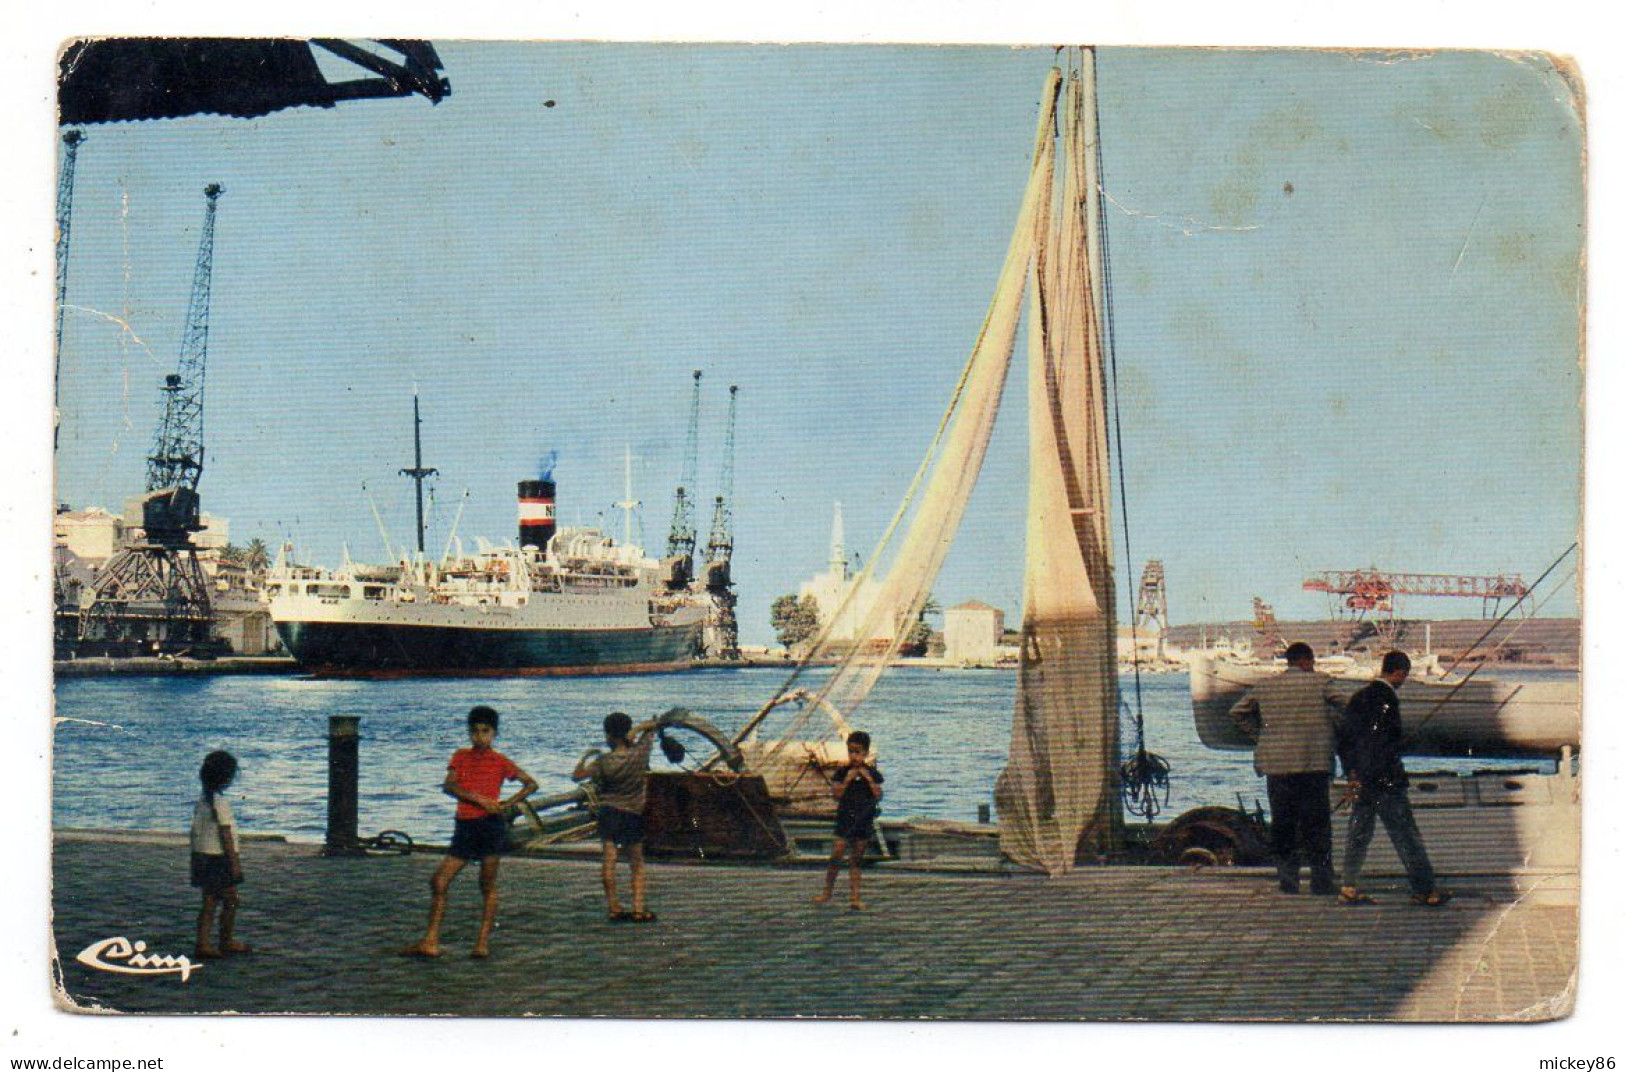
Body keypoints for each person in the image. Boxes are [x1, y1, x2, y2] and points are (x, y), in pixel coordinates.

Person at [404, 706, 537, 958]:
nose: (479, 736)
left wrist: (507, 805)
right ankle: (430, 941)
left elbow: (531, 784)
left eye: (485, 731)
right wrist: (479, 799)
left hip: (490, 827)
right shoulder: (461, 756)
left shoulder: (500, 760)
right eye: (474, 731)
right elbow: (449, 786)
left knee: (486, 885)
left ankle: (481, 943)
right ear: (469, 732)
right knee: (439, 881)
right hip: (465, 826)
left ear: (494, 733)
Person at [1336, 651, 1451, 907]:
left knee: (1358, 833)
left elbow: (1345, 739)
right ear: (1399, 672)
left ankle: (1348, 885)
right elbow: (1385, 742)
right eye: (1404, 675)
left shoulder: (1358, 697)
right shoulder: (1388, 699)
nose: (1404, 680)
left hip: (1362, 780)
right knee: (1406, 835)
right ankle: (1425, 890)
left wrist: (1353, 772)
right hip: (1386, 779)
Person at [1229, 642, 1343, 895]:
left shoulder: (1266, 685)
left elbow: (1237, 711)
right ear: (1306, 661)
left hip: (1277, 766)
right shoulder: (1321, 682)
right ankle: (1322, 881)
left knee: (1283, 824)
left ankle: (1288, 881)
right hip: (1313, 764)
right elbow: (1346, 704)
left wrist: (1260, 737)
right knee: (1317, 825)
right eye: (1312, 663)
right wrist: (1334, 728)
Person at [574, 711, 659, 923]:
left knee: (609, 860)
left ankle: (614, 908)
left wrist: (586, 756)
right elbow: (652, 726)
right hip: (633, 813)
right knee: (637, 863)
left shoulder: (603, 761)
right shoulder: (640, 754)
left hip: (609, 812)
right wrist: (637, 731)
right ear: (626, 732)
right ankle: (638, 909)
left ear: (608, 735)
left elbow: (577, 776)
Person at [814, 730, 884, 911]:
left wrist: (868, 778)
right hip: (846, 817)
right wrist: (847, 780)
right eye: (851, 752)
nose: (854, 756)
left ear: (866, 753)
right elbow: (836, 795)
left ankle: (855, 896)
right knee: (836, 855)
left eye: (858, 752)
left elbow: (878, 795)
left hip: (863, 818)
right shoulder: (843, 771)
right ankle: (827, 892)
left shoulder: (873, 773)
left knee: (856, 859)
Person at [191, 750, 250, 959]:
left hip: (202, 855)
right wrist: (234, 862)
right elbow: (225, 834)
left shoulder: (203, 799)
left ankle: (205, 941)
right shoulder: (220, 802)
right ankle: (225, 940)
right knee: (230, 899)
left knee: (210, 900)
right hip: (218, 857)